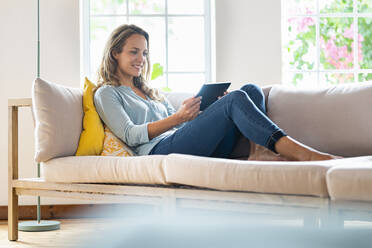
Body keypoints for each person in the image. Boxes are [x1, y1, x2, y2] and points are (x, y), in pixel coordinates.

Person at [94, 24, 340, 161]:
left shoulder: (149, 91)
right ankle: (301, 153)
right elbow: (130, 134)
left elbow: (180, 129)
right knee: (235, 100)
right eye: (134, 52)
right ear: (115, 53)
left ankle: (260, 152)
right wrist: (178, 118)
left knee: (250, 91)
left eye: (144, 53)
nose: (141, 59)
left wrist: (205, 111)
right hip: (158, 151)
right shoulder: (107, 93)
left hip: (186, 142)